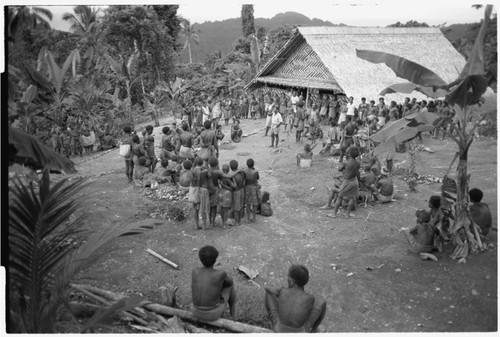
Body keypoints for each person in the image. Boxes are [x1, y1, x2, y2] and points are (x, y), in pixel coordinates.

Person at [264, 264, 326, 332]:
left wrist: (279, 290)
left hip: (279, 330)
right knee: (322, 302)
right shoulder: (310, 298)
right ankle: (313, 330)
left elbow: (267, 288)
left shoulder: (283, 291)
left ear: (293, 281)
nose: (287, 279)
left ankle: (272, 320)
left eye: (288, 277)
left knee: (269, 293)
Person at [191, 246, 236, 321]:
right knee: (230, 286)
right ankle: (233, 314)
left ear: (200, 259)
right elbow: (230, 282)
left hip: (194, 311)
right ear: (215, 260)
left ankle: (231, 314)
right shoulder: (220, 274)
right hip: (212, 315)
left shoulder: (195, 271)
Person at [328, 146, 361, 218]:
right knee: (352, 197)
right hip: (355, 181)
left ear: (349, 154)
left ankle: (334, 213)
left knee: (340, 196)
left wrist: (341, 166)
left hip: (347, 182)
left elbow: (340, 169)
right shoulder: (358, 162)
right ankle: (347, 214)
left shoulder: (346, 163)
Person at [189, 157, 204, 230]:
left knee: (195, 208)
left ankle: (196, 224)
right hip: (197, 190)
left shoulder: (193, 169)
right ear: (202, 163)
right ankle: (197, 225)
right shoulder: (199, 171)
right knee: (197, 209)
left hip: (192, 189)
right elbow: (200, 181)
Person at [230, 160, 245, 226]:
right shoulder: (242, 173)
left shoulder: (233, 176)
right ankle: (239, 220)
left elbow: (233, 186)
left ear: (230, 167)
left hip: (236, 192)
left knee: (236, 208)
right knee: (241, 206)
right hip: (242, 190)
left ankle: (237, 222)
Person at [244, 158, 260, 223]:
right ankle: (254, 217)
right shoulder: (255, 171)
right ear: (253, 164)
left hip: (247, 187)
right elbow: (258, 178)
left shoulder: (245, 171)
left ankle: (247, 218)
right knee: (254, 203)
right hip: (254, 187)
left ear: (247, 164)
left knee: (248, 204)